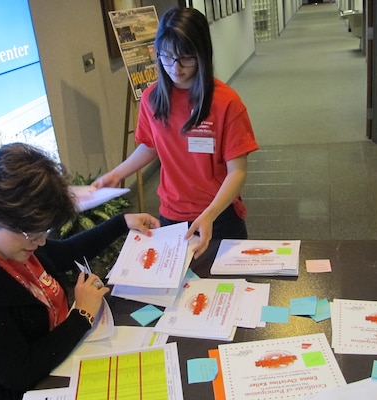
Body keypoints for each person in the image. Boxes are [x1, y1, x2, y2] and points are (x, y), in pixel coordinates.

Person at [0, 142, 159, 399]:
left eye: (43, 232)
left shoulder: (16, 247)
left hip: (64, 361)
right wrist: (82, 314)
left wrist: (121, 223)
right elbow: (21, 372)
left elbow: (65, 252)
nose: (41, 242)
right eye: (31, 234)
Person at [93, 7, 258, 259]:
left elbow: (238, 172)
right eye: (166, 57)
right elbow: (151, 145)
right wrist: (117, 174)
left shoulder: (225, 103)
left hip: (219, 215)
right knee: (177, 292)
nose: (175, 67)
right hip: (172, 216)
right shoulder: (152, 98)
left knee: (226, 289)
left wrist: (210, 215)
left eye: (186, 58)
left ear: (202, 54)